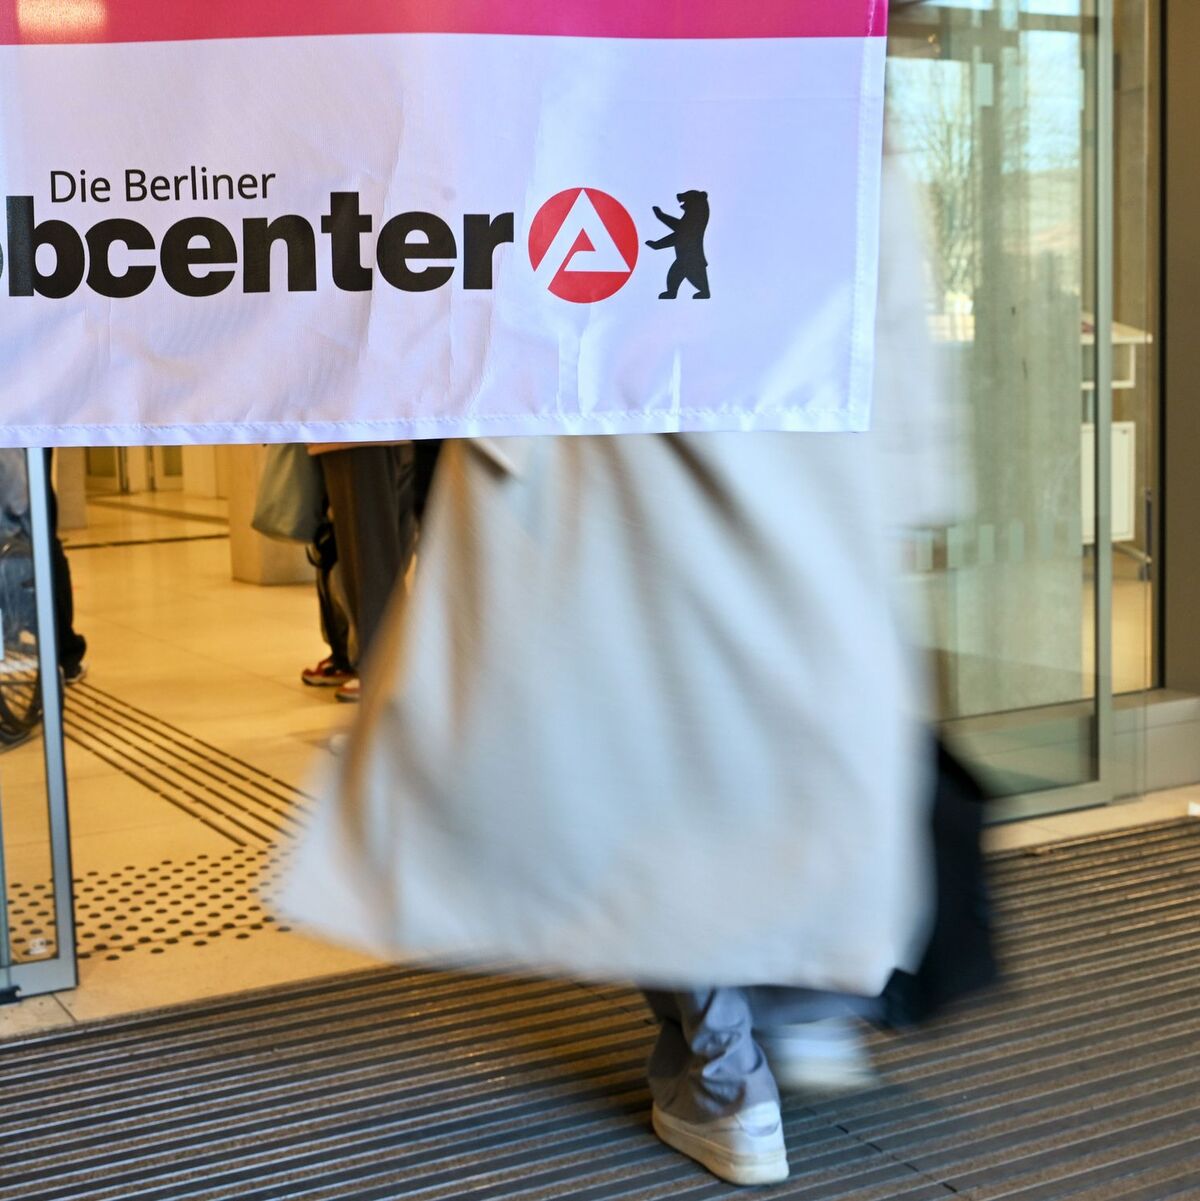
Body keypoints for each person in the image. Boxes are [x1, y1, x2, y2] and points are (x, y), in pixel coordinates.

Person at [278, 112, 963, 1195]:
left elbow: (517, 323)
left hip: (647, 513)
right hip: (804, 507)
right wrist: (908, 501)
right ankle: (797, 999)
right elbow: (897, 328)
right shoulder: (830, 111)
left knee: (647, 794)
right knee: (748, 776)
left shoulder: (607, 110)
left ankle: (734, 1076)